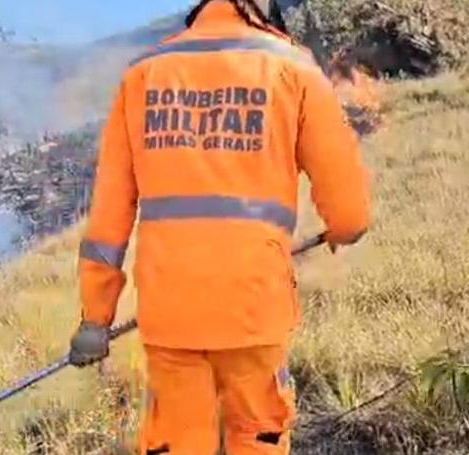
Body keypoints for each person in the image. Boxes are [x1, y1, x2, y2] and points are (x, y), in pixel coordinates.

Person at [69, 0, 371, 453]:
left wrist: (96, 318)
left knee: (179, 441)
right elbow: (350, 216)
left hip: (171, 312)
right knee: (257, 435)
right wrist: (342, 230)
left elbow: (109, 212)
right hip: (253, 308)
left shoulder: (144, 75)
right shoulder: (292, 67)